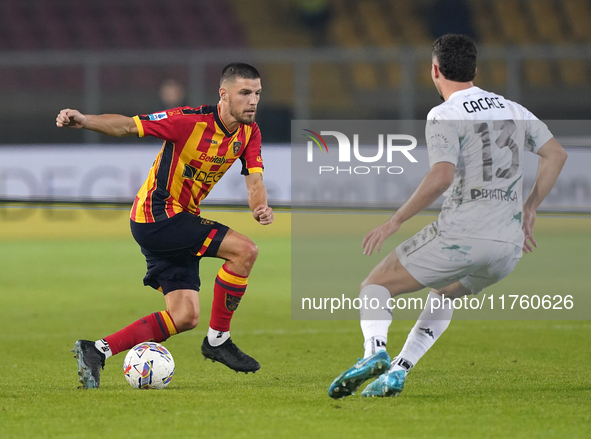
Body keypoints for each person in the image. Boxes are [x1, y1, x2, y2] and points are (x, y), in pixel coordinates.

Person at [328, 34, 567, 398]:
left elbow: (440, 176)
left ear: (435, 70)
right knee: (443, 295)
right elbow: (556, 155)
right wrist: (530, 207)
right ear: (474, 70)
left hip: (463, 235)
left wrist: (395, 221)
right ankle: (399, 371)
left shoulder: (445, 114)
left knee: (375, 286)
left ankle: (374, 352)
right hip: (508, 246)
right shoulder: (513, 109)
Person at [56, 62, 274, 389]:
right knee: (245, 251)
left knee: (185, 316)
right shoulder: (189, 121)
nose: (253, 101)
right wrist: (86, 120)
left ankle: (97, 350)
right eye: (245, 93)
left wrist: (259, 207)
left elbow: (254, 181)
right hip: (157, 216)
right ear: (224, 95)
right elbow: (129, 126)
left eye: (257, 93)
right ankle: (218, 341)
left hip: (179, 221)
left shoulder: (249, 133)